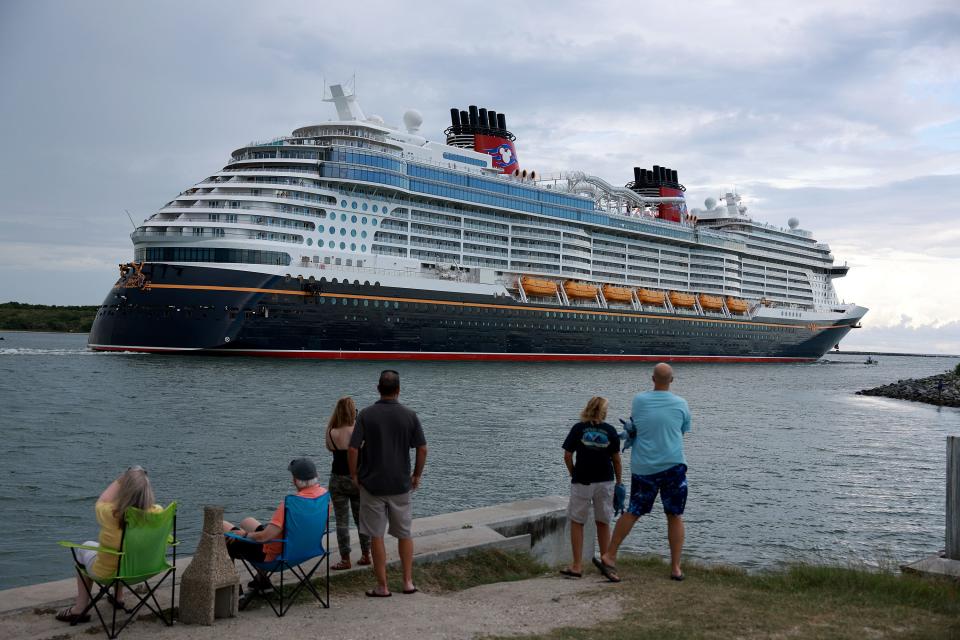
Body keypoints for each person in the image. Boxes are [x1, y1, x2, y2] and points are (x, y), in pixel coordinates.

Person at [596, 363, 691, 582]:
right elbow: (683, 430)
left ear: (652, 379)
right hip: (673, 465)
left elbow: (636, 424)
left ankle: (609, 556)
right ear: (672, 380)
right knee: (675, 514)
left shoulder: (639, 400)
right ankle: (676, 568)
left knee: (634, 511)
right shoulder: (681, 404)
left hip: (644, 467)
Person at [348, 370, 427, 597]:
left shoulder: (365, 415)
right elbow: (422, 448)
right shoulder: (410, 415)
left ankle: (382, 586)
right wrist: (416, 475)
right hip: (400, 484)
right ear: (399, 390)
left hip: (372, 484)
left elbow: (353, 448)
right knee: (404, 534)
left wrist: (354, 475)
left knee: (376, 536)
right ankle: (407, 582)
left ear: (378, 388)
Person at [56, 466, 159, 624]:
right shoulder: (157, 514)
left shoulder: (113, 514)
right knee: (124, 551)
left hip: (108, 573)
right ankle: (118, 597)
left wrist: (121, 479)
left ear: (125, 490)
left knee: (84, 549)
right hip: (144, 570)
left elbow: (102, 500)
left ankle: (79, 609)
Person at [222, 458, 328, 592]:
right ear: (316, 476)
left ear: (295, 481)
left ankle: (234, 592)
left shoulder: (290, 505)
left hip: (274, 557)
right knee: (247, 521)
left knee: (222, 528)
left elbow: (263, 537)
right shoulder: (324, 497)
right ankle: (262, 581)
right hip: (303, 552)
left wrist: (245, 534)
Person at [560, 396, 621, 578]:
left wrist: (573, 473)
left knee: (578, 521)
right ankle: (607, 563)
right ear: (604, 412)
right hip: (605, 481)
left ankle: (577, 565)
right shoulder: (610, 430)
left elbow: (567, 455)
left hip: (582, 480)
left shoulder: (578, 428)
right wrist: (619, 482)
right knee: (603, 522)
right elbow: (616, 460)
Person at [325, 396, 371, 570]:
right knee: (362, 519)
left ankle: (345, 559)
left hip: (337, 479)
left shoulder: (330, 431)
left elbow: (330, 448)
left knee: (341, 521)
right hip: (357, 479)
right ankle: (366, 554)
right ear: (353, 411)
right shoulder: (359, 430)